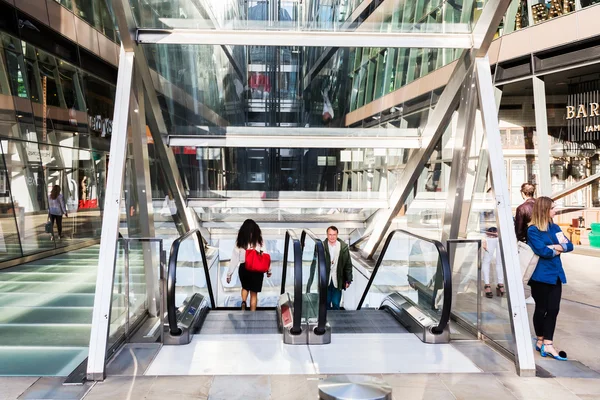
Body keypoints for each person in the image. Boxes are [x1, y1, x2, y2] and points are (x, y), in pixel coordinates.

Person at [527, 196, 573, 361]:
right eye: (553, 208)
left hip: (556, 275)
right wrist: (556, 248)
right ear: (544, 210)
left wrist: (555, 247)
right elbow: (543, 251)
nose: (556, 210)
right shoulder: (533, 230)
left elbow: (570, 245)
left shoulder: (555, 228)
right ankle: (540, 339)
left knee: (554, 309)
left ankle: (548, 343)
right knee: (541, 309)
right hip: (540, 277)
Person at [226, 219, 272, 311]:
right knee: (254, 293)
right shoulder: (259, 241)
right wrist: (268, 270)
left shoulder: (240, 241)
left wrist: (229, 274)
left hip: (244, 268)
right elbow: (265, 256)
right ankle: (252, 313)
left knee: (245, 287)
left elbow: (234, 258)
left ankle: (243, 301)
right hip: (256, 269)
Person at [309, 226, 353, 310]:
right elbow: (315, 262)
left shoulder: (343, 247)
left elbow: (348, 264)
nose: (332, 237)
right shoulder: (321, 246)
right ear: (327, 235)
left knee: (336, 303)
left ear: (337, 235)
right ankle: (327, 321)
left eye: (334, 235)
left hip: (338, 279)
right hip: (325, 279)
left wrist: (348, 280)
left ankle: (336, 321)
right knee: (326, 302)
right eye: (330, 234)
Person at [481, 188, 504, 298]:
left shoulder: (502, 208)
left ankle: (500, 284)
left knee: (500, 261)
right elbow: (480, 225)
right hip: (488, 237)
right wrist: (483, 239)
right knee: (487, 261)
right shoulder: (484, 209)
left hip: (500, 238)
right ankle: (487, 284)